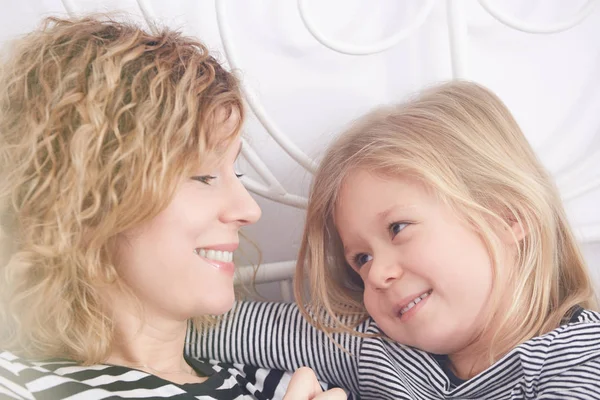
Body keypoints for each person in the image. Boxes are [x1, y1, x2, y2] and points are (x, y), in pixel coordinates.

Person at [0, 15, 345, 400]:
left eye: (237, 173)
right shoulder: (17, 385)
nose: (249, 210)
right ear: (83, 199)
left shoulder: (280, 385)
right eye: (202, 175)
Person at [193, 81, 600, 399]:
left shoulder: (579, 363)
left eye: (398, 229)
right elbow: (221, 329)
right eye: (361, 258)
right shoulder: (378, 349)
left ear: (505, 216)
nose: (378, 275)